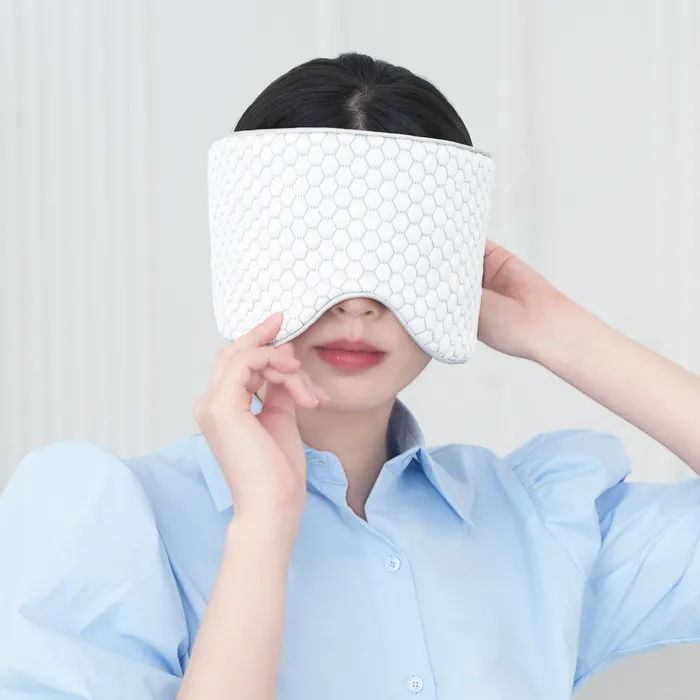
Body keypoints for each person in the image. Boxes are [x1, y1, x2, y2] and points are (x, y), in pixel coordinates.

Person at [1, 52, 700, 700]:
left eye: (401, 253)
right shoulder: (111, 528)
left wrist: (560, 334)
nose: (357, 303)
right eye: (317, 251)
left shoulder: (542, 523)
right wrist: (261, 529)